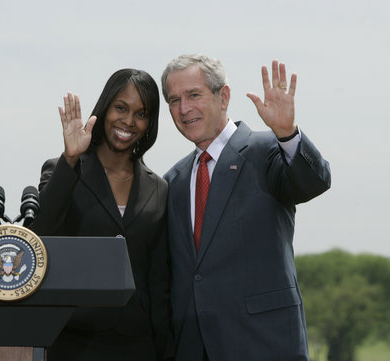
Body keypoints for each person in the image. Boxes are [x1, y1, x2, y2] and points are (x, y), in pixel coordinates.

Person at [161, 54, 331, 361]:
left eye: (193, 95)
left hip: (264, 344)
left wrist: (288, 134)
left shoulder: (266, 151)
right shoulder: (172, 181)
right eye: (174, 100)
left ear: (223, 96)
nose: (184, 109)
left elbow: (314, 182)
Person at [29, 69, 173, 361]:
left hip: (138, 344)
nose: (129, 121)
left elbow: (159, 284)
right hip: (73, 340)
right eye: (121, 108)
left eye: (141, 113)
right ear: (105, 108)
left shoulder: (159, 188)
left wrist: (167, 351)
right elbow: (39, 238)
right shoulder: (63, 170)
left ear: (150, 123)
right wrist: (70, 160)